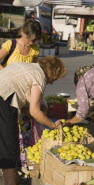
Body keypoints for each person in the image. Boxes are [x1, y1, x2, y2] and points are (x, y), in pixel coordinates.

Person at [0, 56, 66, 185]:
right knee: (9, 144)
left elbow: (23, 93)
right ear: (52, 72)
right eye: (54, 78)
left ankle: (12, 181)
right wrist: (52, 125)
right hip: (3, 102)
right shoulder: (39, 76)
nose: (52, 82)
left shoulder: (26, 66)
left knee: (4, 143)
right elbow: (35, 112)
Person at [0, 20, 42, 170]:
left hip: (22, 96)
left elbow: (35, 72)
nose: (31, 43)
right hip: (6, 92)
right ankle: (7, 165)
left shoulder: (35, 50)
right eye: (29, 39)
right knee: (6, 132)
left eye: (34, 40)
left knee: (21, 134)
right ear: (23, 33)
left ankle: (19, 164)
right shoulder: (10, 45)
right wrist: (6, 72)